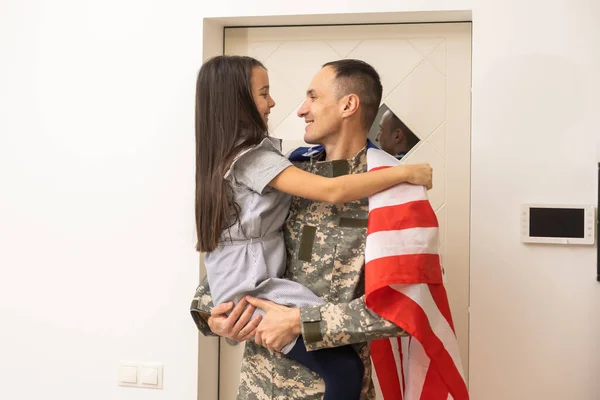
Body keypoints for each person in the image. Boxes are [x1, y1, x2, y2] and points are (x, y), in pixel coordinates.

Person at [193, 55, 432, 400]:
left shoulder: (394, 194)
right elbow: (241, 248)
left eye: (313, 97)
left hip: (331, 387)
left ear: (348, 105)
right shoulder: (291, 172)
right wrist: (211, 314)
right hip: (260, 387)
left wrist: (300, 322)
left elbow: (405, 307)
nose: (300, 109)